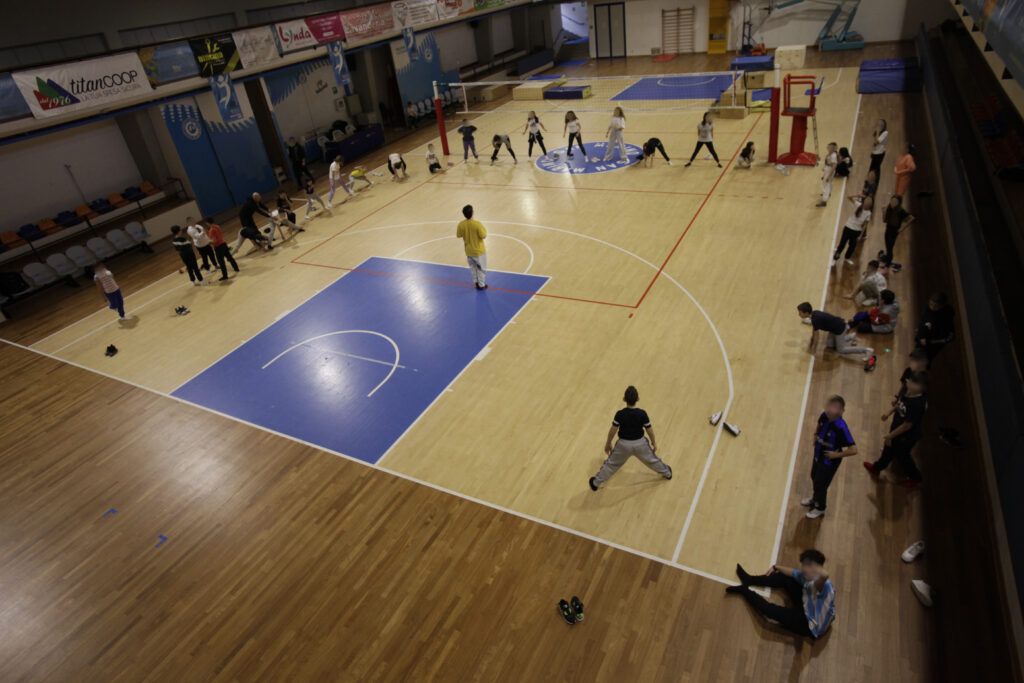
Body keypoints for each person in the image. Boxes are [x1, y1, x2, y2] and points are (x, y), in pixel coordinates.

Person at [726, 550, 836, 638]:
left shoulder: (824, 586)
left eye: (808, 566)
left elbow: (825, 575)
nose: (804, 569)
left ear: (817, 568)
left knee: (769, 610)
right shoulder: (807, 575)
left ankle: (744, 590)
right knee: (785, 577)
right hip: (807, 603)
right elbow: (793, 573)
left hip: (809, 624)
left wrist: (818, 569)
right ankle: (749, 580)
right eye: (804, 565)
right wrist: (776, 567)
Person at [589, 385, 672, 490]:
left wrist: (608, 443)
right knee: (652, 460)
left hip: (623, 445)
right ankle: (667, 473)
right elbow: (649, 430)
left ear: (624, 399)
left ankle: (596, 483)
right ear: (638, 399)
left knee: (611, 465)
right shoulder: (642, 414)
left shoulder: (620, 414)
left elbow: (612, 431)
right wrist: (653, 442)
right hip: (641, 444)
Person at [865, 370, 928, 488]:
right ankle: (877, 468)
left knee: (902, 456)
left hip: (907, 436)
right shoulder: (907, 390)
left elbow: (907, 426)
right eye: (910, 381)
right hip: (897, 429)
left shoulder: (918, 404)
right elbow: (900, 403)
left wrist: (890, 436)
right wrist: (889, 412)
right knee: (888, 450)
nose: (908, 383)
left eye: (913, 383)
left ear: (922, 388)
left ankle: (915, 478)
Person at [801, 395, 857, 518]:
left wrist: (836, 455)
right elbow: (819, 424)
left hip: (829, 463)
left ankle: (820, 508)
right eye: (830, 406)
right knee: (814, 477)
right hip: (818, 456)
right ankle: (815, 499)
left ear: (842, 411)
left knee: (821, 484)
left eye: (836, 408)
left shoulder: (841, 427)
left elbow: (854, 449)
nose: (832, 410)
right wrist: (815, 434)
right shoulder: (824, 416)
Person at [798, 302, 875, 365]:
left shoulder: (815, 319)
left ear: (806, 313)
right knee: (830, 345)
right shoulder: (815, 313)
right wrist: (812, 339)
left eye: (800, 313)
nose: (799, 315)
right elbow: (814, 332)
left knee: (841, 350)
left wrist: (814, 351)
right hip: (834, 328)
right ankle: (851, 337)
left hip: (839, 329)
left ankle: (866, 350)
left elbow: (817, 337)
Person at [832, 195, 873, 267]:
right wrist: (857, 195)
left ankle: (847, 257)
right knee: (842, 244)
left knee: (852, 246)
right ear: (864, 200)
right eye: (867, 200)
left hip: (857, 231)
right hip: (848, 227)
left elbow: (865, 225)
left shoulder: (869, 213)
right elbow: (849, 197)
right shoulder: (858, 205)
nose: (868, 202)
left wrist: (861, 235)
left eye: (870, 202)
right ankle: (835, 259)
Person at [915, 292, 955, 364]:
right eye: (931, 304)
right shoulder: (928, 308)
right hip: (923, 338)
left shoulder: (945, 318)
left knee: (926, 360)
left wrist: (928, 341)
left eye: (935, 306)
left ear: (942, 306)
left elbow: (945, 337)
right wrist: (920, 329)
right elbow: (924, 319)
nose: (932, 308)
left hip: (932, 343)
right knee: (917, 354)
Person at [456, 204, 487, 289]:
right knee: (481, 268)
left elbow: (458, 235)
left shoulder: (461, 224)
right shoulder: (477, 224)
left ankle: (476, 282)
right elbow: (483, 235)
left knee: (473, 268)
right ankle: (481, 285)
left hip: (468, 251)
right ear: (473, 212)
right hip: (479, 251)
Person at [880, 194, 914, 265]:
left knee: (890, 248)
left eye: (895, 201)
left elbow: (911, 218)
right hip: (888, 228)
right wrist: (883, 211)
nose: (893, 203)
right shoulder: (889, 207)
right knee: (888, 245)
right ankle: (887, 258)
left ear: (899, 203)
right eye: (892, 201)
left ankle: (887, 264)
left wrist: (902, 228)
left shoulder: (901, 211)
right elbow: (884, 220)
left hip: (894, 231)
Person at [205, 216, 238, 281]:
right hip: (223, 244)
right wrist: (208, 233)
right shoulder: (217, 226)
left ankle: (225, 276)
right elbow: (217, 235)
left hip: (218, 247)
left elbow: (214, 240)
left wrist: (208, 242)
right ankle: (236, 268)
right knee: (229, 257)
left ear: (207, 223)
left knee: (221, 262)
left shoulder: (211, 230)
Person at [817, 142, 838, 207]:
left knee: (826, 184)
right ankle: (827, 194)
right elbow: (827, 162)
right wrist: (824, 167)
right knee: (827, 183)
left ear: (833, 148)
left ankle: (824, 200)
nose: (827, 147)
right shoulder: (830, 154)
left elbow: (834, 166)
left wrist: (829, 176)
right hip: (827, 169)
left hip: (829, 171)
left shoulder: (833, 156)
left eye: (829, 147)